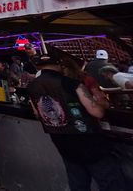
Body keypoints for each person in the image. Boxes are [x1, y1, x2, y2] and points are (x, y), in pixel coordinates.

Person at [27, 53, 126, 190]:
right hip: (89, 142)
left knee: (78, 184)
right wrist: (100, 101)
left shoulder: (32, 87)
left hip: (62, 142)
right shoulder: (71, 83)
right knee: (110, 182)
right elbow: (97, 112)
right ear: (59, 65)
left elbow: (37, 113)